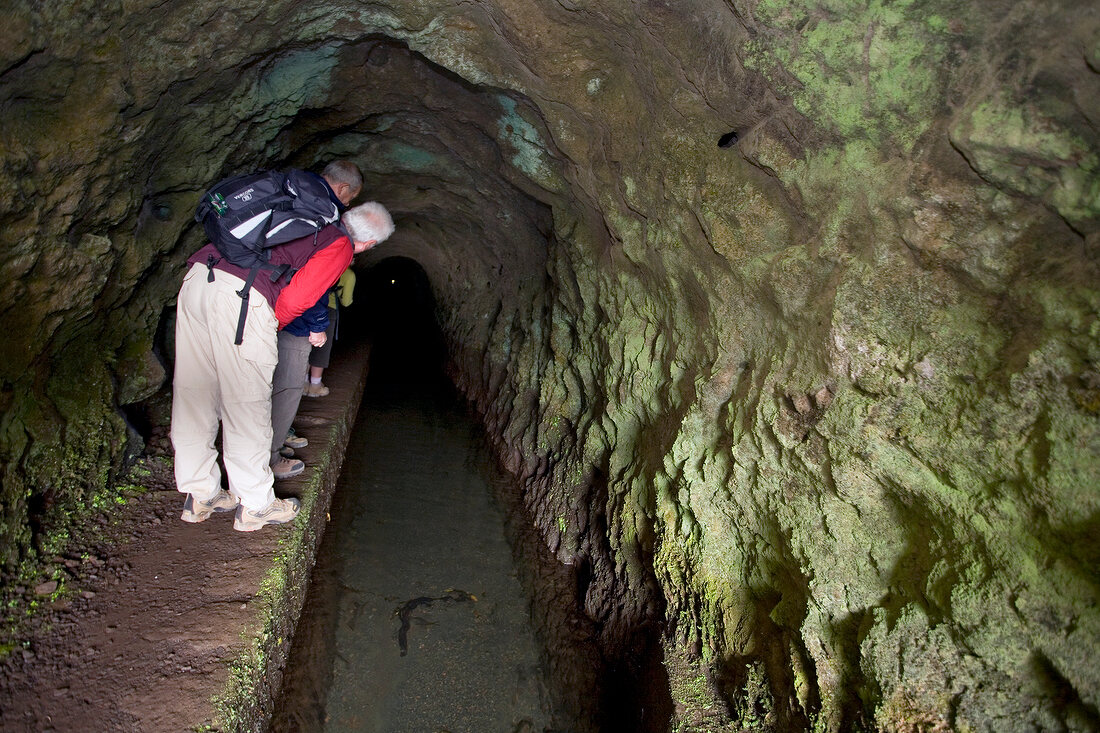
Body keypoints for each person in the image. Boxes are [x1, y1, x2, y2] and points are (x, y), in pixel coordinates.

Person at [170, 159, 392, 531]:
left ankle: (201, 494)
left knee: (194, 392)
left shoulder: (300, 212)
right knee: (248, 402)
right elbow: (299, 299)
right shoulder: (337, 243)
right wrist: (269, 323)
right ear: (368, 242)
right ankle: (256, 504)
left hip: (199, 280)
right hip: (242, 300)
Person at [267, 202, 395, 480]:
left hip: (262, 309)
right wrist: (316, 326)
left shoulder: (315, 230)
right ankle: (269, 456)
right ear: (369, 242)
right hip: (292, 321)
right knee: (286, 387)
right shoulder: (339, 248)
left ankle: (264, 451)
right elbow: (311, 294)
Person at [303, 266, 356, 398]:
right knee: (322, 347)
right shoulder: (348, 274)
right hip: (328, 309)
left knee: (305, 344)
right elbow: (346, 302)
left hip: (308, 306)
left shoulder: (322, 263)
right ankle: (315, 385)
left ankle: (301, 383)